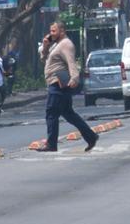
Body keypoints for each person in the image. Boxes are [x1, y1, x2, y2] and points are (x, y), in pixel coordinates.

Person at [35, 21, 97, 153]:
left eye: (54, 31)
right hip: (55, 83)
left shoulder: (66, 44)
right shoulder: (56, 44)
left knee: (51, 113)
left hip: (58, 84)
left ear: (62, 31)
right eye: (50, 31)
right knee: (68, 114)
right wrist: (45, 46)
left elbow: (71, 62)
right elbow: (44, 59)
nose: (51, 34)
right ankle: (91, 136)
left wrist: (74, 78)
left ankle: (51, 144)